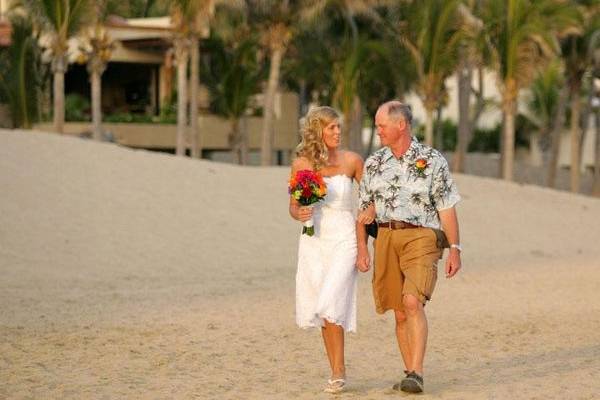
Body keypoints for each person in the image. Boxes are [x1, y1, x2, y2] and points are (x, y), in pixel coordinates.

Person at [356, 100, 462, 394]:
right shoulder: (374, 163)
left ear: (400, 125)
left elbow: (447, 208)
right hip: (386, 238)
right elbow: (363, 209)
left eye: (381, 125)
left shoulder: (432, 160)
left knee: (412, 301)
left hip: (422, 236)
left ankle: (417, 372)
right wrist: (363, 248)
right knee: (399, 310)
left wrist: (455, 247)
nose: (377, 131)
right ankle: (409, 373)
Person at [289, 106, 365, 394]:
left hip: (345, 237)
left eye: (338, 127)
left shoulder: (353, 161)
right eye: (331, 127)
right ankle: (337, 369)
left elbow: (371, 198)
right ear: (317, 131)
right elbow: (294, 206)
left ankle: (339, 368)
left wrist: (365, 239)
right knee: (324, 307)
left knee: (331, 300)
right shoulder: (302, 165)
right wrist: (300, 214)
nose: (337, 132)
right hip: (314, 238)